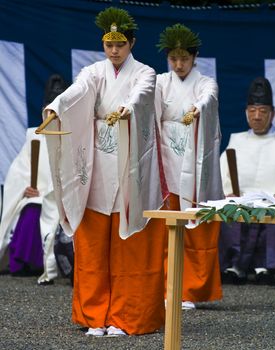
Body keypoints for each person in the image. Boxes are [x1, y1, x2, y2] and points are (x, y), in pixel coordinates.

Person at [38, 7, 167, 337]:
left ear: (131, 43)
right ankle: (95, 314)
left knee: (130, 249)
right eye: (109, 44)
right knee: (94, 244)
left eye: (120, 44)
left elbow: (142, 96)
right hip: (96, 165)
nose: (113, 51)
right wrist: (57, 106)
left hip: (129, 162)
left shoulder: (146, 73)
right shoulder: (93, 71)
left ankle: (127, 315)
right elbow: (79, 91)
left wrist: (130, 108)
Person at [155, 24, 224, 310]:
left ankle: (192, 290)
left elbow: (209, 98)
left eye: (185, 58)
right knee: (166, 226)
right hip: (167, 155)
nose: (180, 64)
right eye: (174, 58)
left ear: (195, 58)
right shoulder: (159, 82)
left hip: (194, 158)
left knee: (196, 225)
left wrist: (199, 109)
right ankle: (166, 286)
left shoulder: (205, 83)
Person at [219, 77, 275, 283]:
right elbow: (222, 172)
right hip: (243, 201)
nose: (257, 117)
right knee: (229, 208)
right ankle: (233, 266)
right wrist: (229, 193)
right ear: (246, 113)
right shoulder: (237, 140)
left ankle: (270, 267)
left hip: (273, 201)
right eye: (252, 111)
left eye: (262, 111)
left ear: (273, 113)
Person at [0, 74, 67, 285]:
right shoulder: (34, 135)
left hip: (61, 196)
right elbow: (19, 170)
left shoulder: (71, 137)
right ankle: (26, 263)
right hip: (36, 193)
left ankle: (56, 265)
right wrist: (26, 187)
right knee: (31, 211)